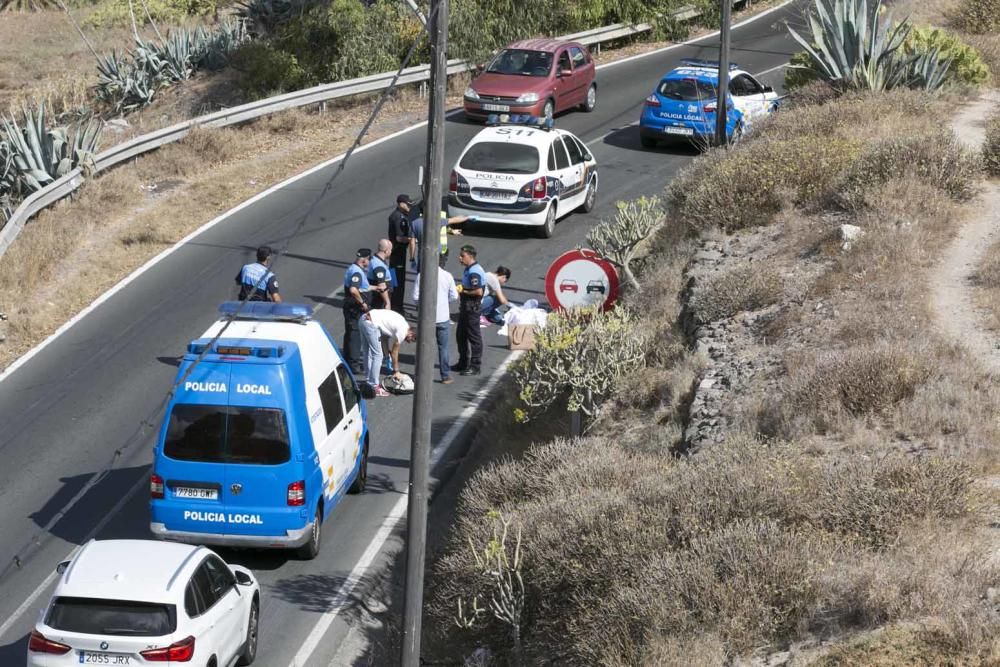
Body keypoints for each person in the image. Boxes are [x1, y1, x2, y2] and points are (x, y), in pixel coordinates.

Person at [412, 253, 459, 384]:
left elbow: (416, 297)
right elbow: (454, 296)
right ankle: (445, 375)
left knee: (424, 346)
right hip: (443, 317)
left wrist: (423, 306)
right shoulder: (448, 276)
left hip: (427, 317)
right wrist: (444, 301)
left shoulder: (422, 275)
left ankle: (421, 374)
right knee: (443, 347)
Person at [361, 307, 416, 396]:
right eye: (412, 339)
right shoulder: (403, 331)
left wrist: (387, 357)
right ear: (411, 334)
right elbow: (395, 352)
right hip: (370, 323)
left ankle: (369, 381)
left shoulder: (401, 324)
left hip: (363, 319)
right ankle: (374, 387)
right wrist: (396, 371)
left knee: (367, 352)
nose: (409, 342)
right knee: (377, 355)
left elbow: (384, 338)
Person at [454, 245, 486, 376]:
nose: (460, 258)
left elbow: (478, 291)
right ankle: (463, 362)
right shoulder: (469, 269)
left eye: (463, 256)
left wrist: (463, 290)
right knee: (461, 335)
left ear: (470, 256)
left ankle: (475, 365)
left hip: (472, 307)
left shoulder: (475, 271)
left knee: (474, 336)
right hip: (466, 306)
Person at [410, 208, 474, 272]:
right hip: (437, 255)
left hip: (422, 256)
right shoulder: (437, 221)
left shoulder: (414, 223)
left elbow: (412, 243)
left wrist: (412, 258)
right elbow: (455, 219)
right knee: (437, 275)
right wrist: (467, 217)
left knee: (421, 276)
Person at [343, 248, 373, 375]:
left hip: (351, 307)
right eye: (369, 259)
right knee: (355, 336)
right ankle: (354, 365)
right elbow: (354, 290)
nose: (369, 262)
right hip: (355, 308)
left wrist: (375, 288)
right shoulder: (357, 272)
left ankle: (347, 359)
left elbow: (363, 287)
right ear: (364, 260)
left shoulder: (353, 268)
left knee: (350, 334)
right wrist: (363, 303)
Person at [387, 194, 414, 314]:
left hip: (397, 254)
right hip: (397, 254)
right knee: (398, 283)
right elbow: (399, 238)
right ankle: (396, 308)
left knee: (396, 282)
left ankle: (396, 306)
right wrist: (412, 240)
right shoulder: (397, 217)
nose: (409, 206)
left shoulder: (402, 215)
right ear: (400, 203)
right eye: (407, 204)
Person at [369, 239, 393, 310]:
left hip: (379, 299)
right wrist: (387, 302)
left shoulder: (375, 259)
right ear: (386, 251)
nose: (391, 252)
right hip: (379, 301)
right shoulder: (379, 266)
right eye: (390, 250)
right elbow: (381, 286)